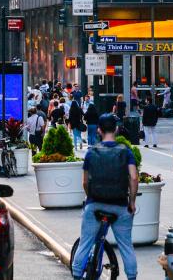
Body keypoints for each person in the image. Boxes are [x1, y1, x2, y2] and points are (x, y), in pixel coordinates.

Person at [71, 113, 138, 280]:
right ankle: (131, 277)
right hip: (120, 205)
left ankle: (77, 274)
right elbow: (134, 177)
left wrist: (90, 198)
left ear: (99, 130)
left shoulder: (91, 153)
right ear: (116, 129)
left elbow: (85, 182)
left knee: (85, 243)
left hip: (96, 204)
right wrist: (132, 202)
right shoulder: (126, 151)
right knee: (126, 246)